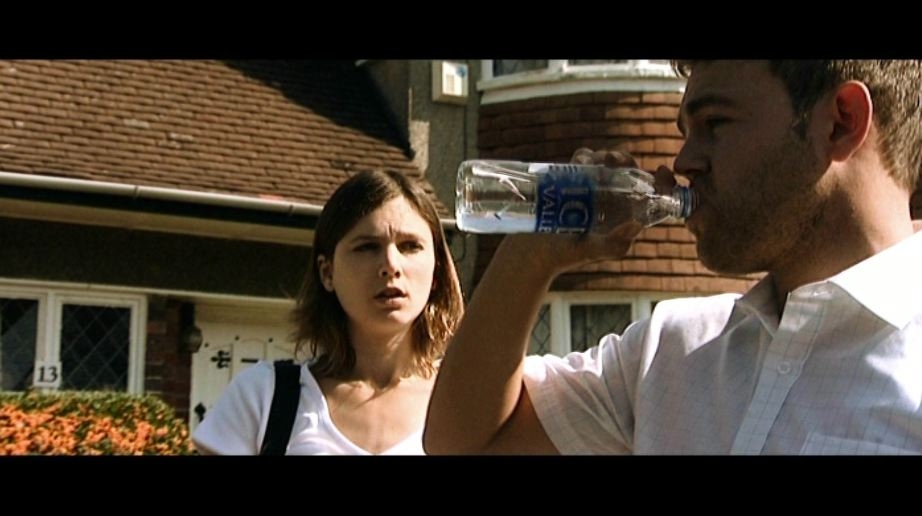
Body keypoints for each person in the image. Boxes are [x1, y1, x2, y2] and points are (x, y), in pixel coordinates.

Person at [424, 60, 922, 455]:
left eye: (715, 123)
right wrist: (536, 250)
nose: (684, 161)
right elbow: (467, 441)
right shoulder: (673, 349)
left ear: (841, 122)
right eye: (687, 130)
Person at [193, 170, 464, 454]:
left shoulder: (470, 402)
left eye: (410, 246)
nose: (390, 265)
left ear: (436, 271)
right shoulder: (263, 396)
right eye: (367, 247)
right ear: (327, 272)